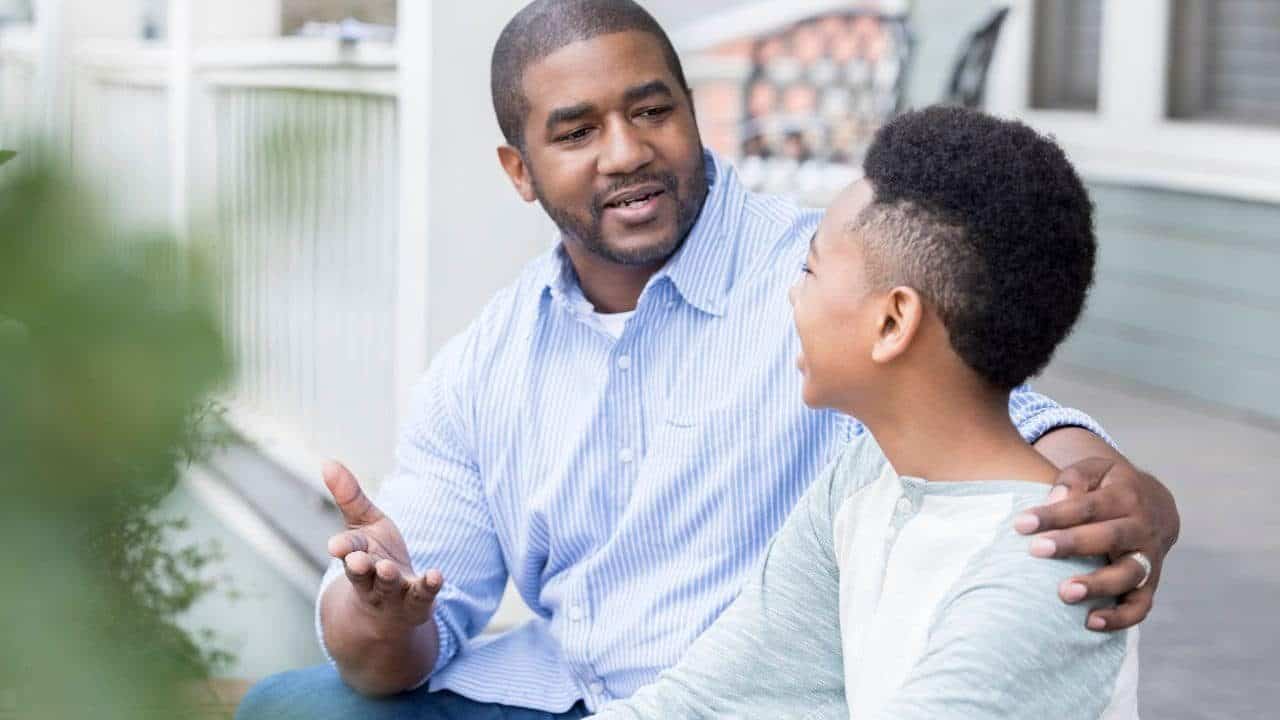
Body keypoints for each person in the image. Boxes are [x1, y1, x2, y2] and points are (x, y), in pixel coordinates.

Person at [236, 2, 1179, 718]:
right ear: (518, 170)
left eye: (653, 111)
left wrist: (1113, 487)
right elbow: (394, 644)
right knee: (294, 702)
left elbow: (975, 406)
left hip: (757, 696)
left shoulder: (822, 280)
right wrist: (383, 620)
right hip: (559, 692)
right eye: (575, 130)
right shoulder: (486, 365)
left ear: (692, 111)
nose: (626, 153)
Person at [595, 106, 1139, 720]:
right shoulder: (864, 478)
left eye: (810, 269)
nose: (792, 293)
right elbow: (702, 701)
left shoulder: (1044, 566)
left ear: (892, 322)